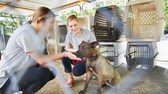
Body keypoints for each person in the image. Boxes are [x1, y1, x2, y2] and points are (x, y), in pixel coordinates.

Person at [0, 7, 81, 94]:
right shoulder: (26, 32)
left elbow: (36, 58)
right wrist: (65, 54)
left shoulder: (36, 34)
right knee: (43, 73)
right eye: (51, 22)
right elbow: (41, 59)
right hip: (6, 80)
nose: (52, 26)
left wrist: (40, 64)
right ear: (40, 20)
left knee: (51, 71)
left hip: (19, 72)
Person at [62, 15, 97, 87]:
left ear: (79, 23)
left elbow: (96, 48)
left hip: (86, 57)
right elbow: (67, 48)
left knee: (77, 72)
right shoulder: (69, 34)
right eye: (71, 26)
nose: (73, 28)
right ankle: (70, 78)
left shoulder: (88, 33)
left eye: (75, 25)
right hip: (76, 55)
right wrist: (77, 50)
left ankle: (88, 71)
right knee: (64, 54)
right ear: (69, 27)